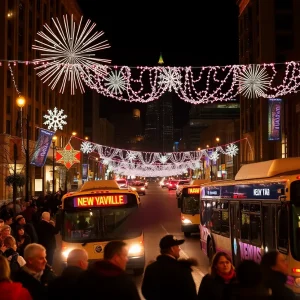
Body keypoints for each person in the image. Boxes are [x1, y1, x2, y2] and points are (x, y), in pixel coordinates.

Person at [142, 234, 198, 300]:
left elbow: (145, 291)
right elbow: (191, 295)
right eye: (177, 246)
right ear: (172, 249)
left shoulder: (150, 269)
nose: (179, 249)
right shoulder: (183, 270)